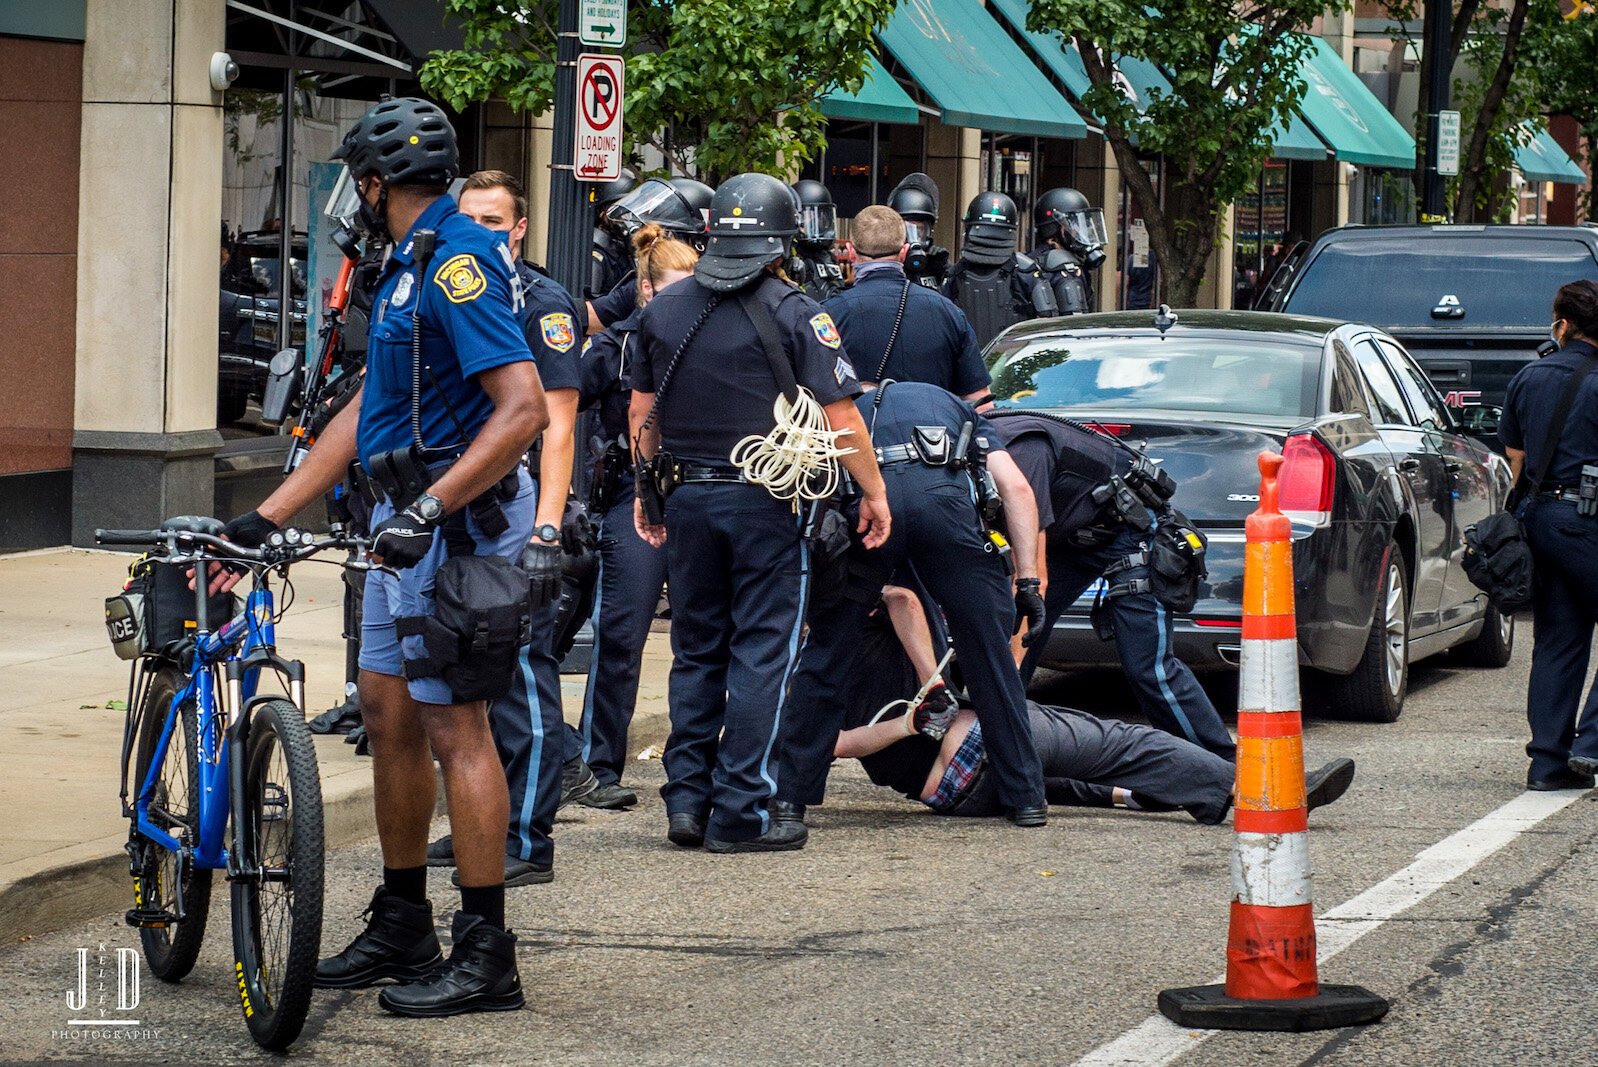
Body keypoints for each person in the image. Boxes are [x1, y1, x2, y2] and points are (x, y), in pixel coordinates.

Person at [216, 99, 545, 1016]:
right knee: (388, 713)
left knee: (457, 727)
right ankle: (405, 919)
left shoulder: (460, 262)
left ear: (373, 182)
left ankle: (488, 953)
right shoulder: (406, 268)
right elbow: (365, 415)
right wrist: (268, 513)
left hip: (457, 524)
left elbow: (523, 411)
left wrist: (434, 505)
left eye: (353, 185)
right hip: (406, 518)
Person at [630, 171, 891, 853]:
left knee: (696, 652)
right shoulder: (798, 310)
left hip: (687, 495)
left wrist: (646, 491)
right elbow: (840, 418)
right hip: (768, 501)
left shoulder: (663, 310)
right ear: (783, 240)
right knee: (761, 652)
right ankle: (741, 809)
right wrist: (875, 491)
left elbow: (641, 416)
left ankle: (686, 801)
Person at [776, 379, 1049, 830]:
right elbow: (1017, 490)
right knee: (990, 658)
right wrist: (1028, 582)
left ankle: (791, 798)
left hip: (868, 510)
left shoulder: (846, 411)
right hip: (943, 504)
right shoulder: (961, 411)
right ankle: (1026, 798)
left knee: (828, 652)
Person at [415, 169, 584, 887]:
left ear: (519, 228)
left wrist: (545, 531)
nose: (480, 233)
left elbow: (559, 425)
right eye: (469, 219)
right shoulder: (457, 285)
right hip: (464, 516)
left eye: (494, 223)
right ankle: (483, 825)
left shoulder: (541, 301)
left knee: (524, 680)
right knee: (475, 684)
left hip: (521, 517)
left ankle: (527, 836)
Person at [992, 410, 1237, 761]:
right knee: (1015, 630)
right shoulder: (961, 458)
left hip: (1130, 529)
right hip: (1073, 534)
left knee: (1146, 662)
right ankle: (1003, 745)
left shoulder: (1020, 455)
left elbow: (1033, 580)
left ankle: (1224, 767)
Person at [572, 222, 691, 809]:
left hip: (697, 493)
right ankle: (600, 762)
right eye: (674, 289)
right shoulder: (615, 346)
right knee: (622, 632)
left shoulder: (703, 334)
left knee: (703, 635)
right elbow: (556, 401)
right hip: (632, 494)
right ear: (645, 291)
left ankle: (693, 764)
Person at [1501, 279, 1598, 791]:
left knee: (1560, 640)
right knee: (1563, 637)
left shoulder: (1529, 376)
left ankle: (1548, 764)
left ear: (1563, 324)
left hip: (1539, 518)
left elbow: (1515, 462)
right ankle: (1590, 745)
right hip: (1589, 521)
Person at [823, 205, 991, 403]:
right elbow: (981, 403)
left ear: (851, 252)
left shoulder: (828, 316)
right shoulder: (948, 312)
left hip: (860, 432)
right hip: (936, 431)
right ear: (904, 253)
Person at [587, 176, 713, 333]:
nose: (656, 243)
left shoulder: (717, 288)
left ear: (697, 243)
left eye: (666, 236)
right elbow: (592, 316)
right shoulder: (650, 282)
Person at [942, 191, 1059, 347]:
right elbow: (1049, 323)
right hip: (1009, 364)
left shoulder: (954, 274)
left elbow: (1048, 323)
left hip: (988, 365)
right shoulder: (1027, 271)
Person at [1030, 187, 1107, 315]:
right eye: (1076, 226)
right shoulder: (1066, 268)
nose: (1081, 233)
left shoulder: (1030, 261)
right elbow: (1075, 323)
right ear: (1055, 229)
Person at [887, 172, 950, 289]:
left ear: (929, 232)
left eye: (920, 229)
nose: (914, 236)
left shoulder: (934, 266)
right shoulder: (885, 267)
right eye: (908, 228)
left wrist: (945, 273)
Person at [790, 179, 846, 302]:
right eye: (809, 215)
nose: (815, 222)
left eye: (820, 216)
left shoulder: (827, 257)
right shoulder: (789, 258)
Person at [589, 168, 637, 299]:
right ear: (603, 212)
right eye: (619, 208)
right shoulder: (597, 254)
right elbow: (591, 304)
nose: (625, 216)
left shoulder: (622, 246)